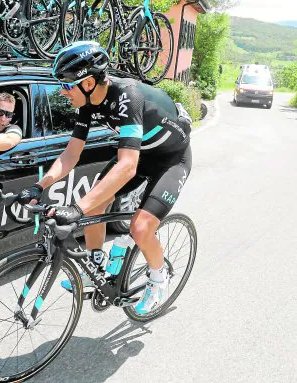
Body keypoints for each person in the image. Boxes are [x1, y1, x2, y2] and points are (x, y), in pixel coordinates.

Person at [17, 41, 193, 315]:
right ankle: (96, 264)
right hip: (138, 154)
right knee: (94, 203)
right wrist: (39, 186)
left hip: (170, 159)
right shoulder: (86, 104)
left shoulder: (128, 95)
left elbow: (127, 167)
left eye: (66, 85)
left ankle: (159, 278)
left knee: (141, 227)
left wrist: (76, 209)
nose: (63, 92)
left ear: (88, 83)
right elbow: (70, 155)